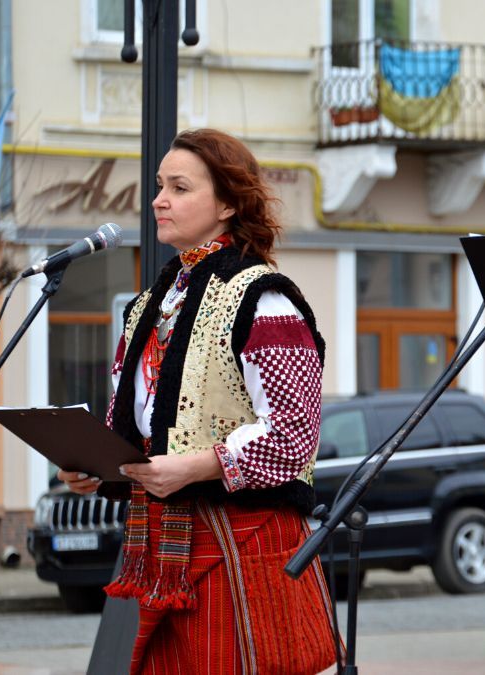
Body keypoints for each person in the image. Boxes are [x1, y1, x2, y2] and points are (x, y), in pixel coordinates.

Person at [58, 128, 335, 674]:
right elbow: (142, 425)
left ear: (228, 203)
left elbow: (294, 434)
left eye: (180, 188)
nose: (159, 200)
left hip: (241, 541)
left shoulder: (264, 297)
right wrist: (101, 469)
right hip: (164, 545)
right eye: (160, 186)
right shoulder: (149, 305)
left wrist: (199, 465)